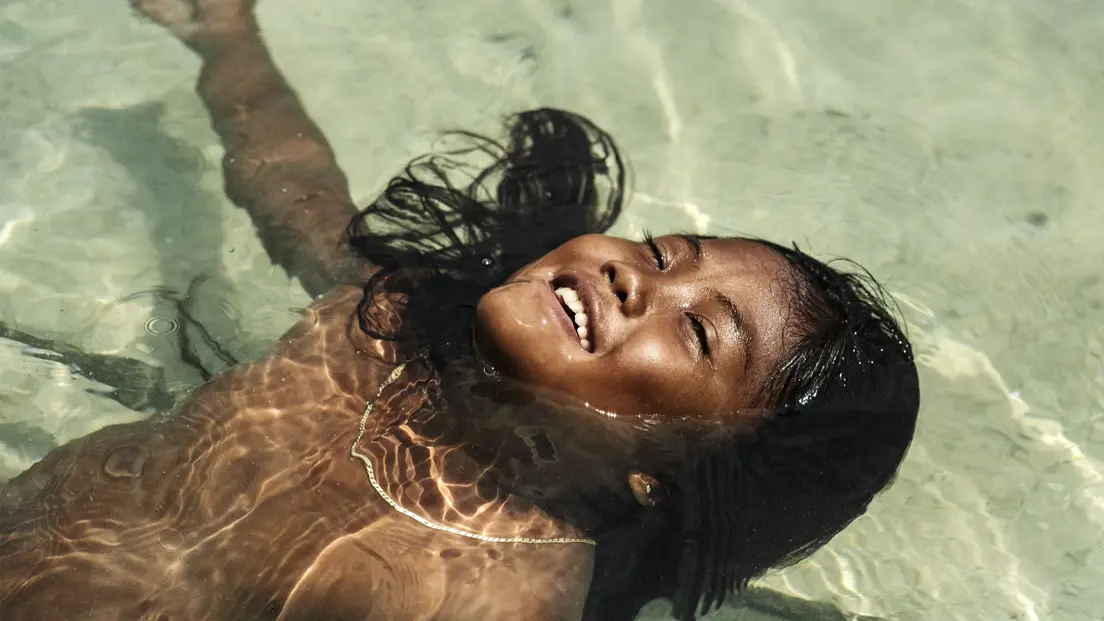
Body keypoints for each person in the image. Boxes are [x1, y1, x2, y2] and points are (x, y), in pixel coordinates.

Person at [0, 0, 920, 619]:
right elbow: (287, 181)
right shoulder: (393, 320)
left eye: (696, 332)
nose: (637, 278)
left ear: (665, 473)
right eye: (660, 252)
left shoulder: (500, 593)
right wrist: (224, 34)